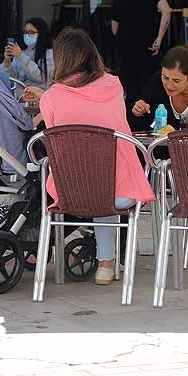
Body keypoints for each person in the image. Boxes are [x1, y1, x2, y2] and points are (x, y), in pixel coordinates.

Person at [26, 29, 154, 286]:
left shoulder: (50, 98)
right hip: (118, 195)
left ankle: (90, 251)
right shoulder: (114, 86)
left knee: (92, 180)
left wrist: (45, 97)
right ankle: (106, 264)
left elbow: (54, 131)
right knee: (106, 181)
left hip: (69, 192)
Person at [110, 0, 172, 96]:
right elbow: (166, 11)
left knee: (131, 93)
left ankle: (132, 117)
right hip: (149, 51)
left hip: (127, 55)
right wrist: (159, 38)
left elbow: (114, 30)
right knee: (151, 92)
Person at [1, 17, 54, 88]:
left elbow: (41, 77)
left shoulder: (49, 54)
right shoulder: (22, 52)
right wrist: (7, 62)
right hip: (19, 96)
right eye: (26, 32)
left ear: (42, 33)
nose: (27, 35)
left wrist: (21, 56)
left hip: (37, 96)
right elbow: (12, 79)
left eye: (31, 32)